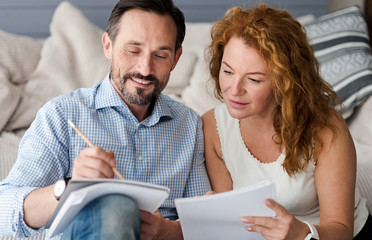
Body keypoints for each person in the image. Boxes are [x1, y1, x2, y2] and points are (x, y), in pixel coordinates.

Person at [0, 0, 211, 239]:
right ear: (108, 45)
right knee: (116, 209)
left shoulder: (189, 125)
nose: (145, 68)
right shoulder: (62, 114)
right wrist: (69, 188)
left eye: (160, 55)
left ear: (175, 58)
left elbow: (204, 219)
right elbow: (3, 213)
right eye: (133, 50)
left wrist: (172, 231)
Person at [202, 4, 372, 240]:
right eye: (228, 71)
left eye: (254, 79)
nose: (234, 90)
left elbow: (341, 230)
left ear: (285, 83)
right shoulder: (213, 127)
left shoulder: (325, 128)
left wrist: (301, 233)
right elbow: (234, 225)